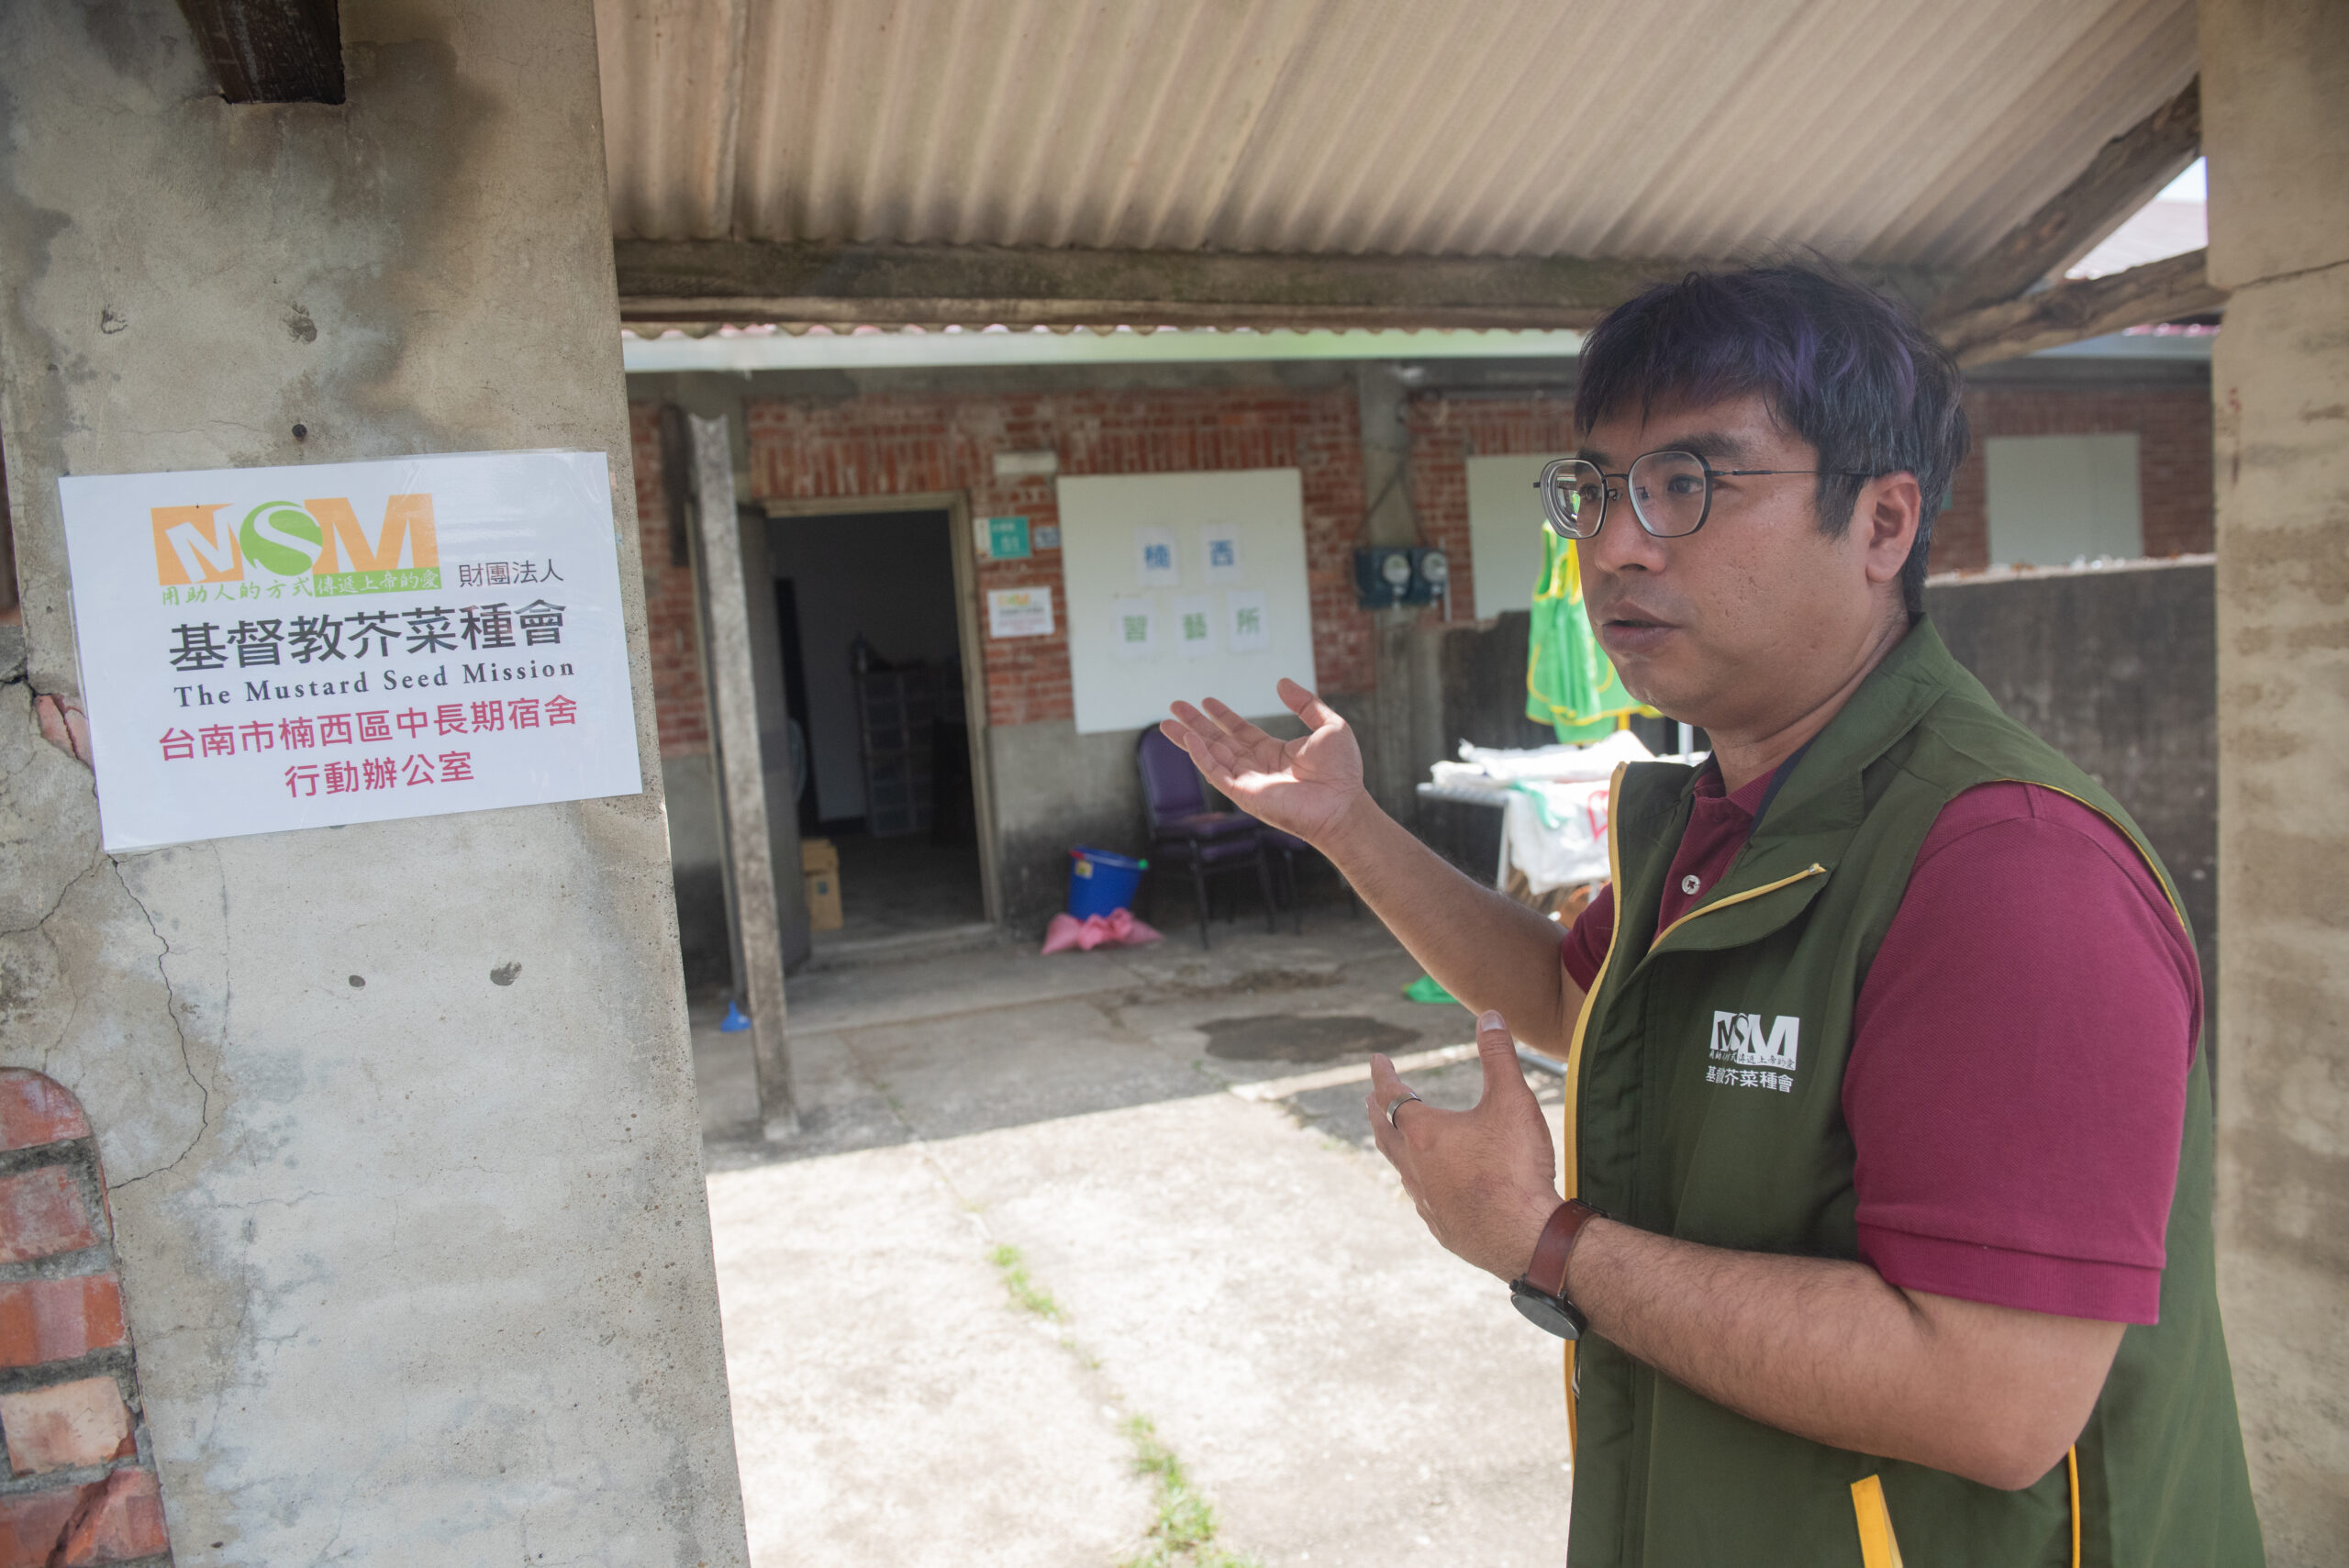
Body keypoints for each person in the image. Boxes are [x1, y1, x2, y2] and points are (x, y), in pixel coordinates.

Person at [1160, 265, 2261, 1567]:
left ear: (1882, 523)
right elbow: (1572, 999)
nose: (1615, 546)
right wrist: (1348, 823)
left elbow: (1995, 1396)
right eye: (1595, 489)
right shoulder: (1720, 815)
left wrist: (1545, 1240)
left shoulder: (2009, 868)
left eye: (1687, 483)